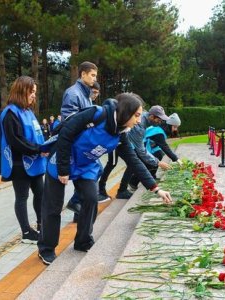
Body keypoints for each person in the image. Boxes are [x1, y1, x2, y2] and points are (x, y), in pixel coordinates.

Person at [37, 93, 173, 265]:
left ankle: (83, 241)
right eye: (137, 115)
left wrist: (156, 189)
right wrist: (63, 169)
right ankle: (46, 248)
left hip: (85, 165)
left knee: (91, 198)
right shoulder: (96, 114)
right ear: (125, 112)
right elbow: (65, 134)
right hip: (62, 159)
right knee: (53, 206)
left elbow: (133, 159)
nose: (139, 120)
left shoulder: (121, 133)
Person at [0, 76, 48, 244]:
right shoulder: (10, 113)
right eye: (31, 92)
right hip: (20, 164)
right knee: (22, 197)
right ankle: (26, 231)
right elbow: (16, 140)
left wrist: (44, 147)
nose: (34, 95)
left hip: (35, 162)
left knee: (40, 194)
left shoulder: (28, 111)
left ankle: (42, 224)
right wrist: (38, 149)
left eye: (35, 92)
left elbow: (36, 135)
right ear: (22, 91)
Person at [60, 61, 108, 223]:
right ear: (83, 74)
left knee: (92, 173)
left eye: (96, 75)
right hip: (77, 144)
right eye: (92, 75)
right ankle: (75, 202)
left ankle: (77, 208)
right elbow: (70, 122)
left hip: (85, 143)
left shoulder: (86, 95)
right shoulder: (73, 93)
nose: (95, 78)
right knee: (96, 170)